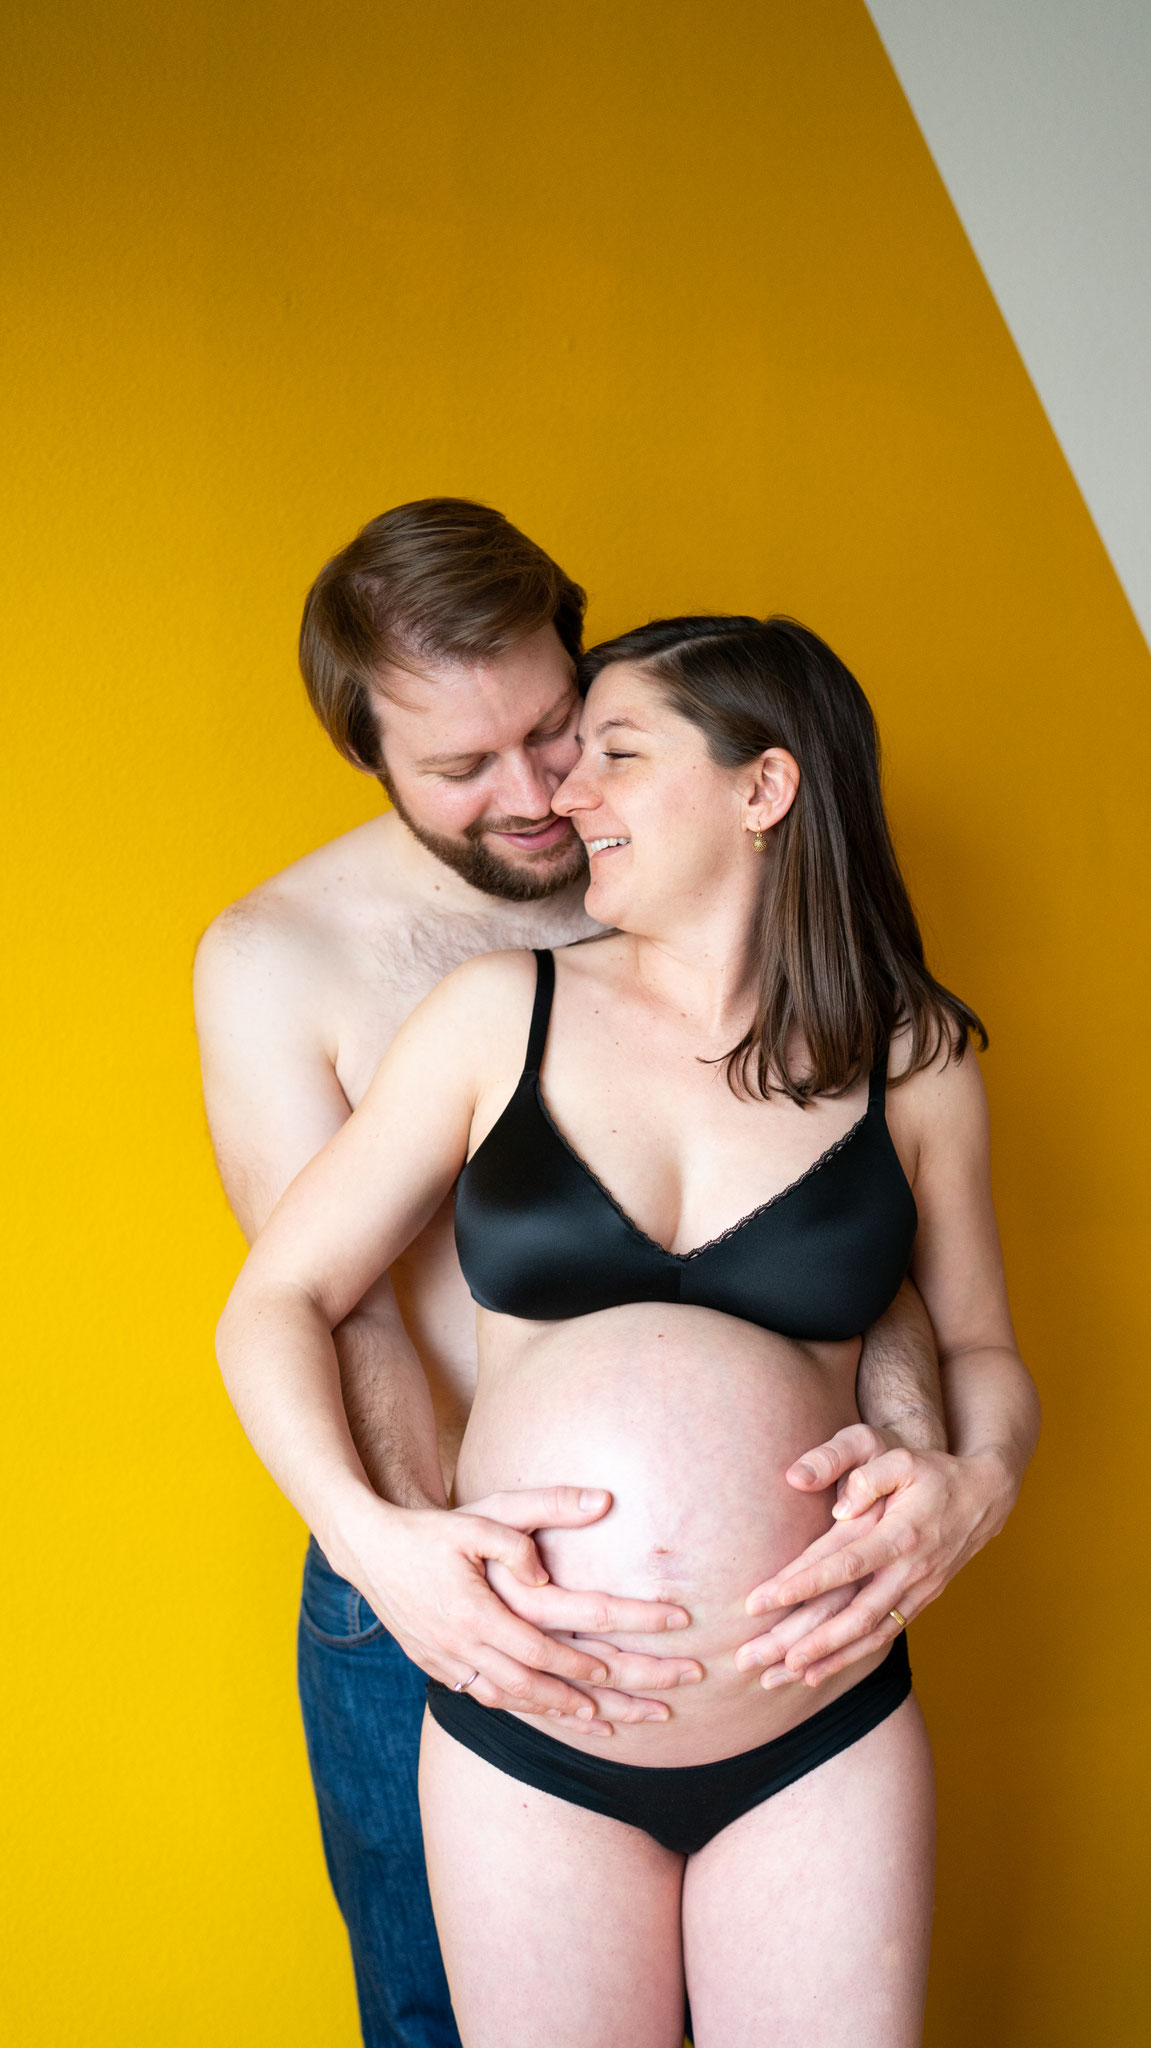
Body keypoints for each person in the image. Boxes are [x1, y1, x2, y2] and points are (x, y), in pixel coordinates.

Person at [215, 606, 1039, 2047]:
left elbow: (976, 1350)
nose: (561, 794)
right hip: (529, 1737)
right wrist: (367, 1533)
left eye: (608, 751)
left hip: (816, 1731)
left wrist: (978, 1481)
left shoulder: (909, 1058)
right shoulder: (494, 1014)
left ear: (761, 787)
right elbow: (277, 1303)